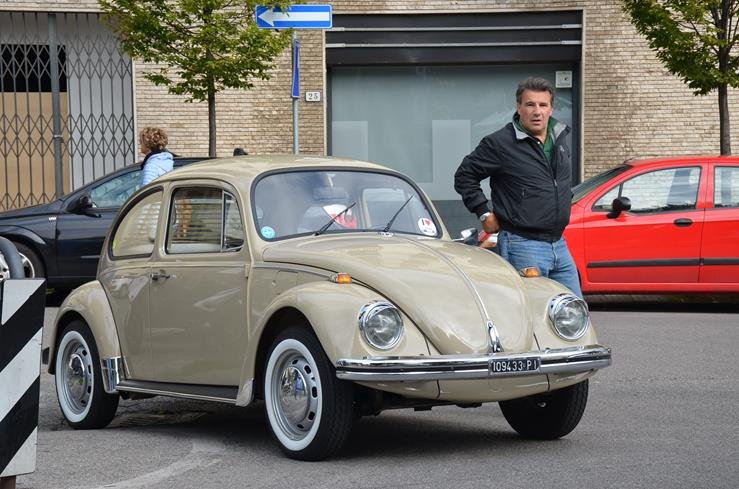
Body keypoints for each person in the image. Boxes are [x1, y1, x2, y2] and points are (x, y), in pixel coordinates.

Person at [454, 77, 582, 298]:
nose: (537, 111)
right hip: (523, 245)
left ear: (551, 109)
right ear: (519, 107)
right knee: (531, 311)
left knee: (574, 310)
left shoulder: (559, 138)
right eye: (530, 104)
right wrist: (483, 212)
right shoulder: (500, 143)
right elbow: (464, 175)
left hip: (559, 244)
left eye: (543, 105)